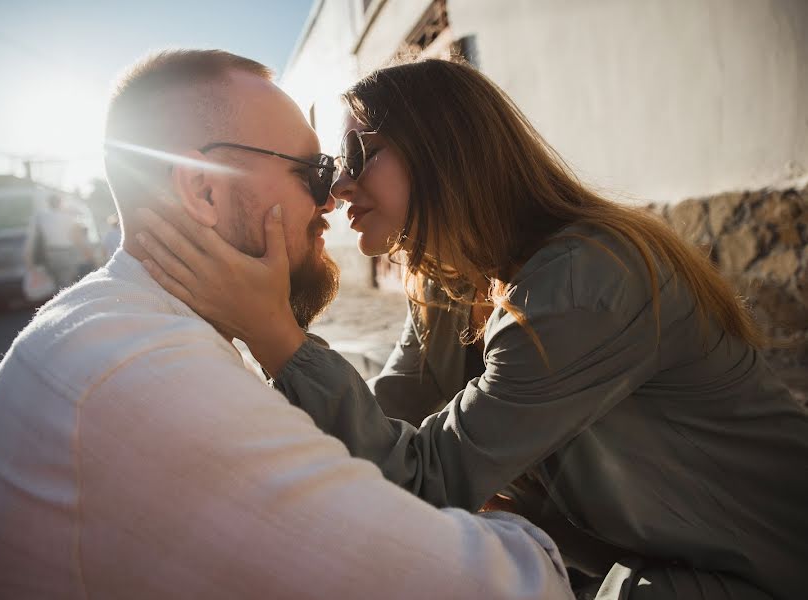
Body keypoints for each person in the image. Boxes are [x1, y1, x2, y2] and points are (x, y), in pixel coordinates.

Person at [134, 57, 808, 599]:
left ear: (443, 152)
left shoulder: (586, 278)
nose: (336, 189)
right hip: (641, 561)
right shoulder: (453, 284)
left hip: (758, 569)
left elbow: (427, 479)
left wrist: (273, 334)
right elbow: (377, 431)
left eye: (356, 152)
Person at [0, 50, 573, 599]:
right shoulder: (152, 371)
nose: (331, 200)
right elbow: (500, 588)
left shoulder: (102, 317)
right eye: (313, 173)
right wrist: (524, 524)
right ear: (202, 190)